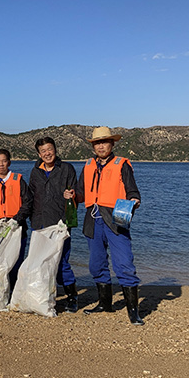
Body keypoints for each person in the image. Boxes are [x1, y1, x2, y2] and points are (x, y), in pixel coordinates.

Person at [75, 126, 143, 325]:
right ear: (93, 146)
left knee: (124, 264)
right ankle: (105, 304)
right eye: (97, 143)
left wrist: (134, 201)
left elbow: (133, 191)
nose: (101, 146)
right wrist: (72, 196)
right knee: (96, 264)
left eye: (104, 142)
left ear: (112, 143)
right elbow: (80, 193)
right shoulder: (87, 166)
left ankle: (133, 311)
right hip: (92, 218)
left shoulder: (122, 164)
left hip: (116, 217)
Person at [28, 137, 79, 312]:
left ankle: (72, 296)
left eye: (50, 149)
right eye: (43, 151)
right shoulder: (36, 172)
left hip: (60, 223)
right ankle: (47, 295)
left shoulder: (66, 169)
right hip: (39, 223)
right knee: (41, 262)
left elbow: (77, 193)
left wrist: (71, 194)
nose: (47, 153)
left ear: (55, 150)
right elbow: (30, 197)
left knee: (62, 261)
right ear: (39, 154)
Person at [0, 149, 32, 293]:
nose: (1, 164)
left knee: (16, 261)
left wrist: (17, 219)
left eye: (4, 161)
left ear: (9, 162)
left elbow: (28, 202)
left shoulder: (18, 180)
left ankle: (14, 292)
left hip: (16, 227)